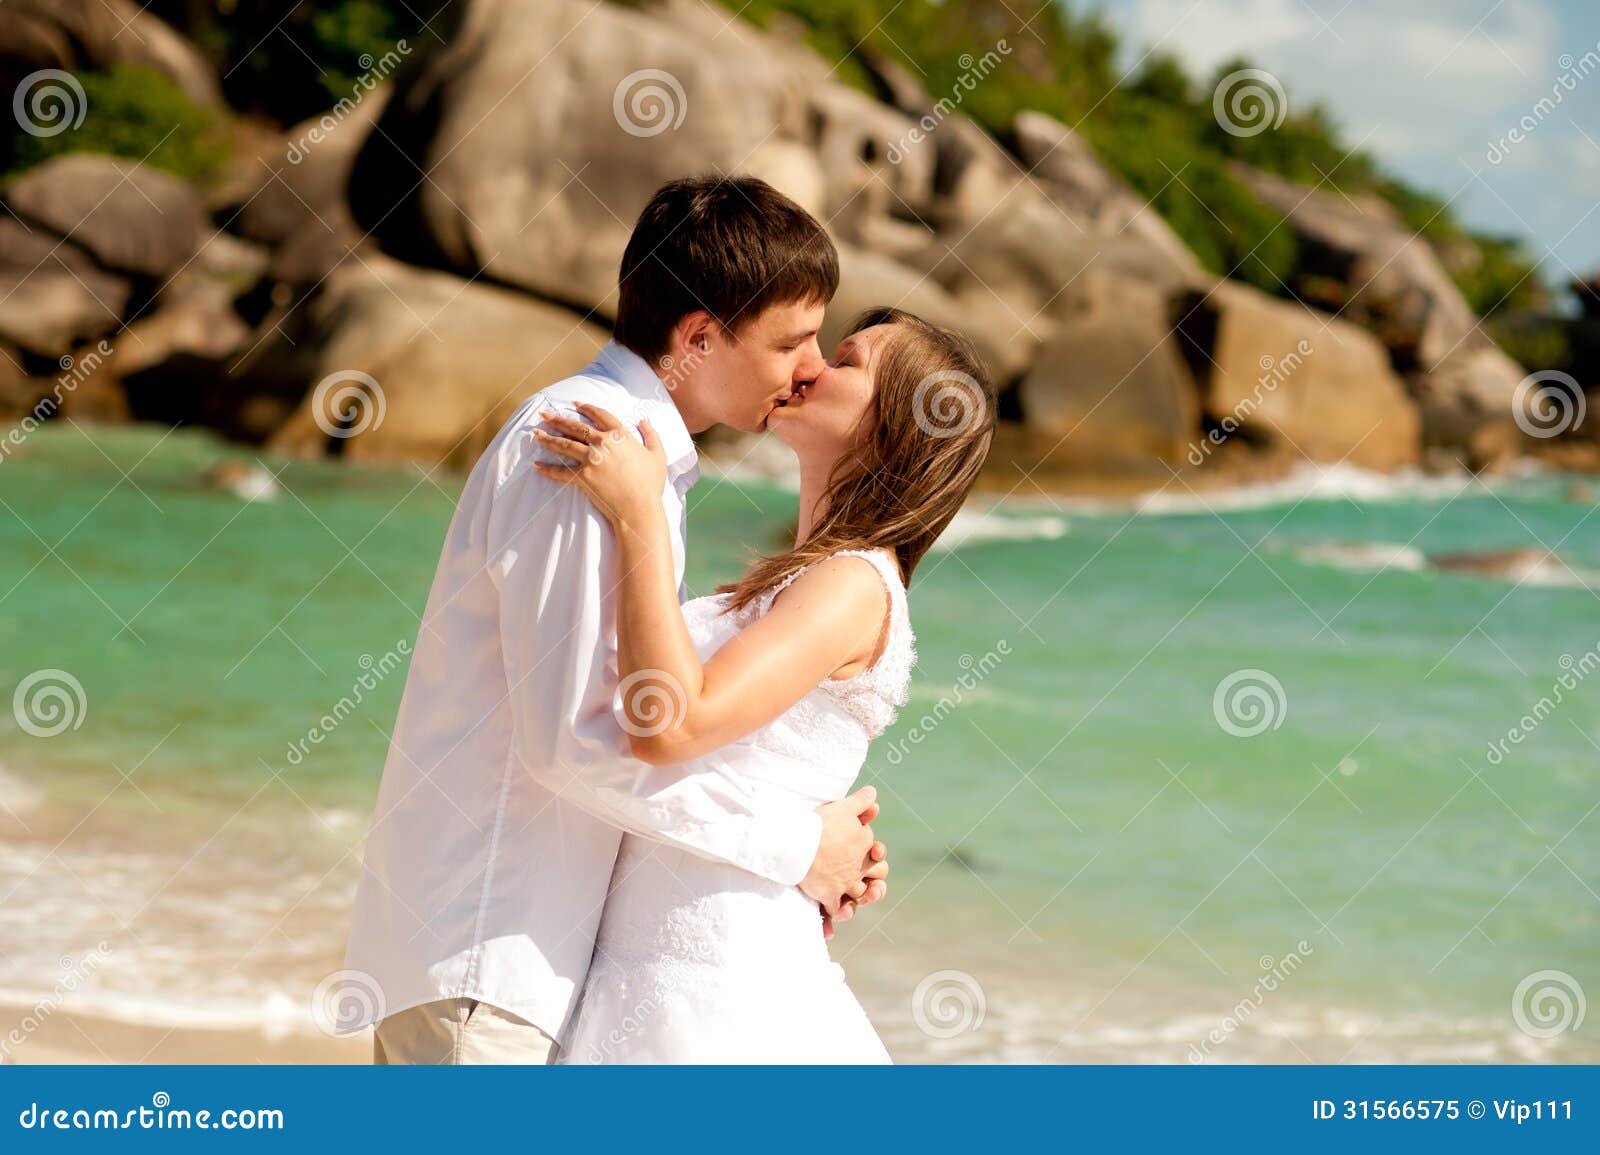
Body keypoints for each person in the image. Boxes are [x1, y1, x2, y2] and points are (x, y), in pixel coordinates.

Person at [343, 177, 889, 1064]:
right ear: (700, 336)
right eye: (792, 339)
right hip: (490, 954)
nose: (810, 366)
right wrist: (797, 846)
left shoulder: (634, 460)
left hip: (518, 962)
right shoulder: (586, 443)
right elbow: (578, 741)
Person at [535, 306, 996, 1062]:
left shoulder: (851, 582)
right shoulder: (802, 580)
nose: (809, 365)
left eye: (846, 360)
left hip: (723, 988)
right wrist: (812, 837)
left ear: (895, 428)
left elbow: (671, 725)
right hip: (661, 974)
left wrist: (639, 517)